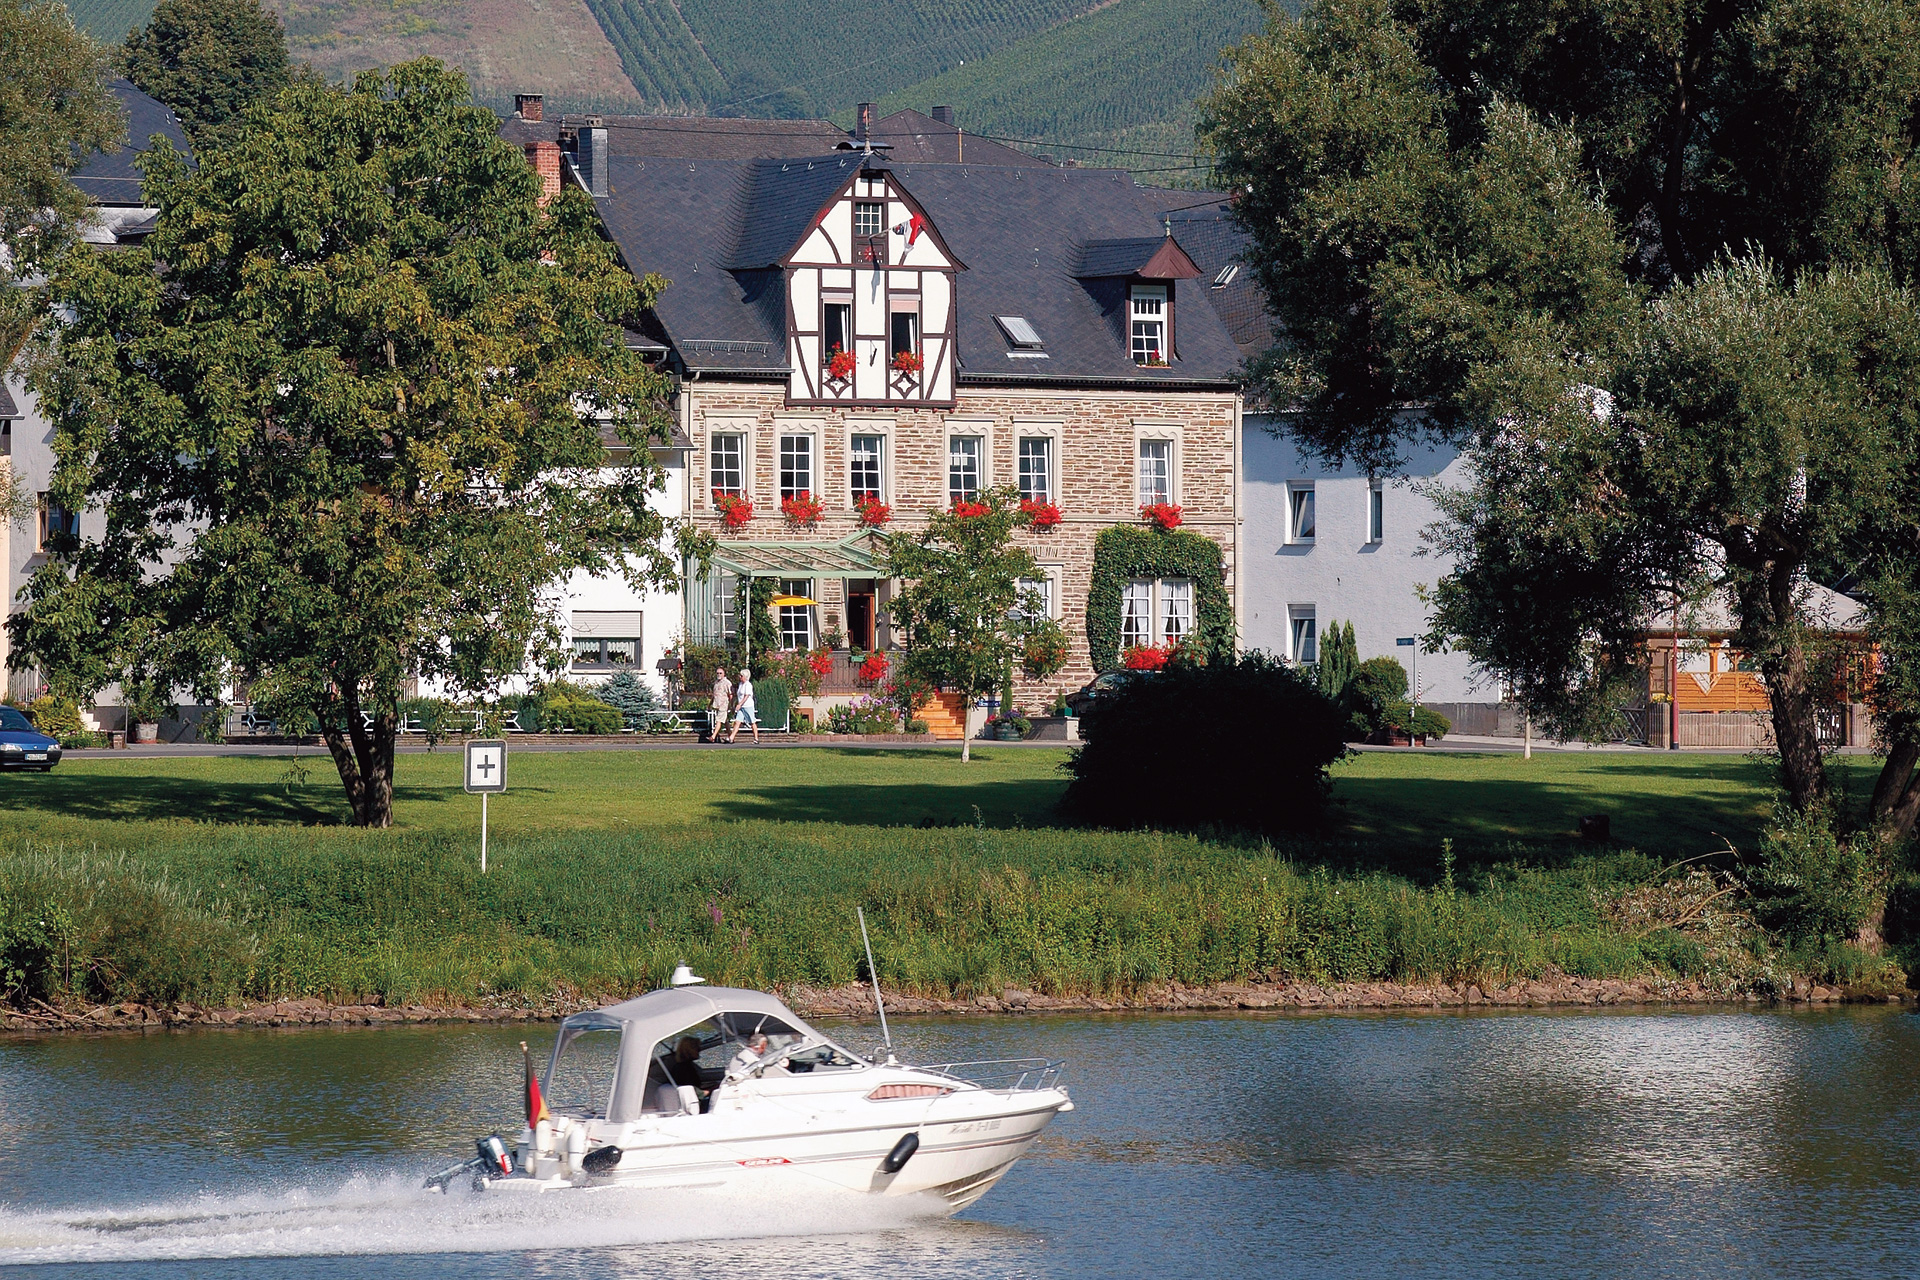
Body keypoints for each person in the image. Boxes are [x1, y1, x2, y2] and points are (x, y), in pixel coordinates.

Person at [725, 667, 759, 743]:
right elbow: (738, 695)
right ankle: (731, 738)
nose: (740, 677)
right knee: (737, 722)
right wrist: (736, 704)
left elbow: (746, 696)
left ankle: (756, 738)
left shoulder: (748, 685)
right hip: (741, 707)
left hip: (748, 706)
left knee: (752, 722)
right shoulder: (740, 684)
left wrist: (740, 704)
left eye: (741, 676)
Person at [709, 668, 732, 743]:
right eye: (717, 673)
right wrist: (710, 704)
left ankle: (713, 736)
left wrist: (731, 705)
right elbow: (714, 694)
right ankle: (731, 736)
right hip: (717, 704)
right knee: (725, 721)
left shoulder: (727, 683)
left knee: (718, 720)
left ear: (724, 674)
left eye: (720, 673)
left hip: (723, 704)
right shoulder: (716, 683)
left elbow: (730, 694)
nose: (719, 675)